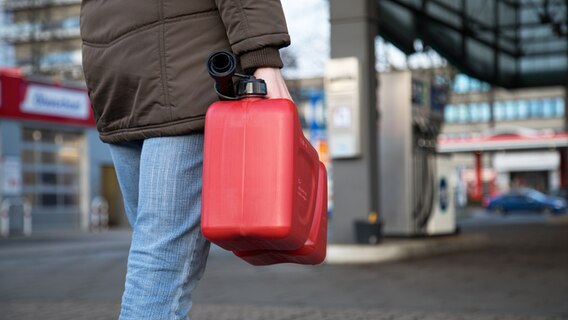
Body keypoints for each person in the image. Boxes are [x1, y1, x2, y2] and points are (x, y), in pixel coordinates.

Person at [80, 1, 292, 319]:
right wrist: (263, 59)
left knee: (155, 257)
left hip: (113, 72)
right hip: (185, 72)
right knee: (161, 267)